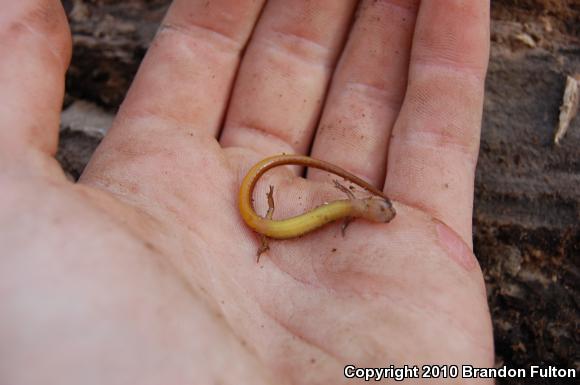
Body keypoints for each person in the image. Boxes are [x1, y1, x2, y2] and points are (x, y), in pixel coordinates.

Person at [0, 0, 493, 383]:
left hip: (269, 225)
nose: (376, 210)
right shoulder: (344, 212)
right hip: (263, 226)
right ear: (364, 208)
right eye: (377, 207)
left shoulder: (347, 211)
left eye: (376, 211)